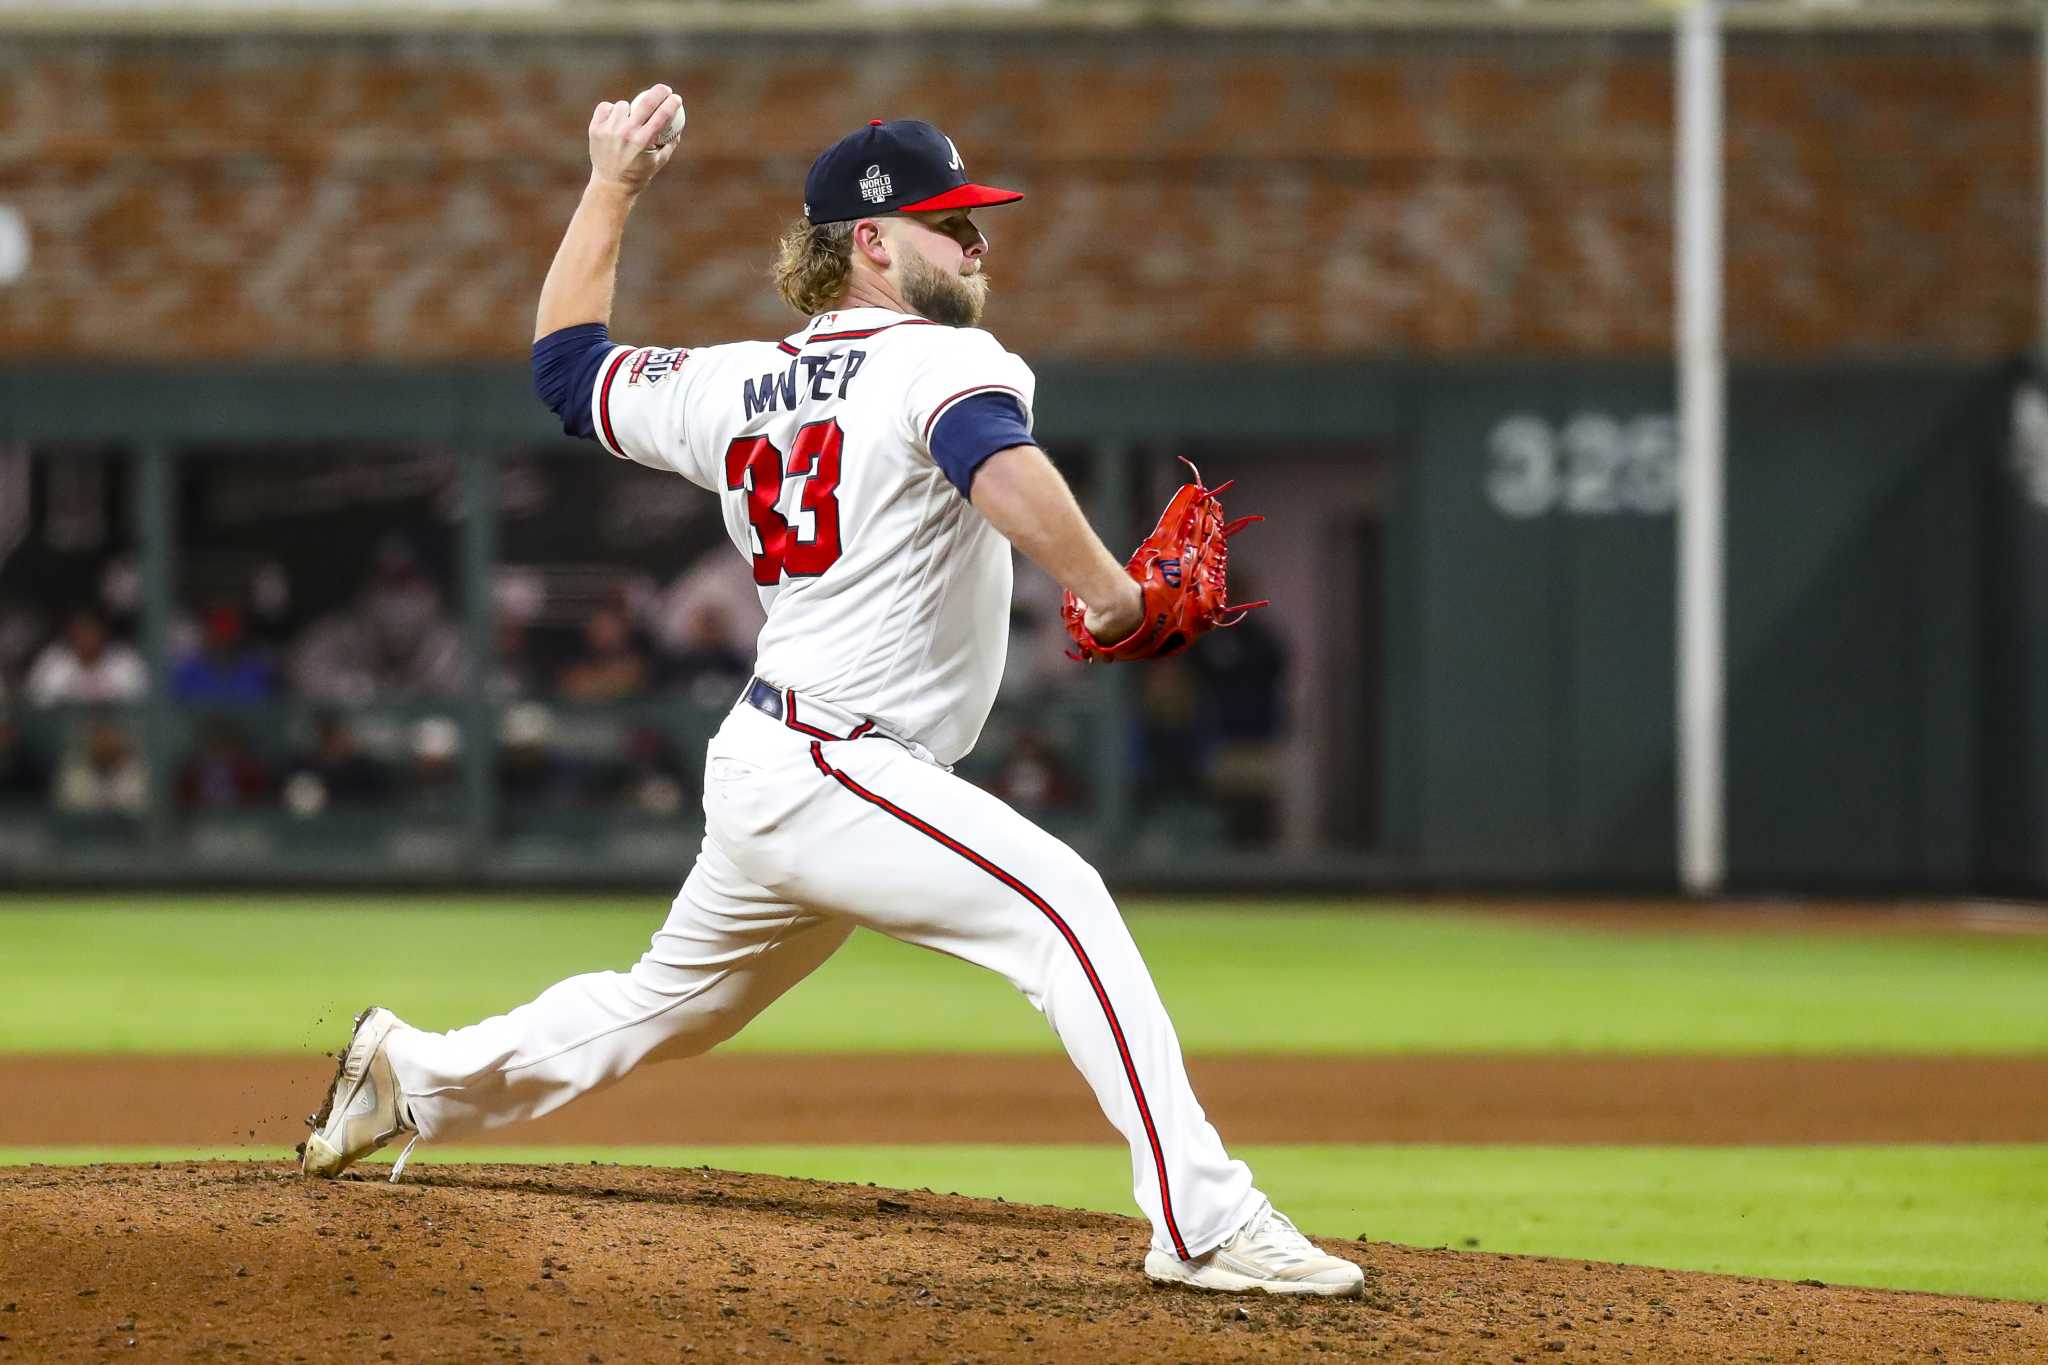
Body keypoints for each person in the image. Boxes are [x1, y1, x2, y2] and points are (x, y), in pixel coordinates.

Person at [300, 94, 1361, 1299]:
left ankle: (415, 1076)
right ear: (868, 241)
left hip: (782, 759)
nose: (976, 245)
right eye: (948, 223)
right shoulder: (947, 356)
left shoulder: (730, 381)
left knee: (669, 1007)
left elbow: (565, 368)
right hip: (838, 761)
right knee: (1064, 907)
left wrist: (610, 187)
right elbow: (992, 461)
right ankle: (1205, 1222)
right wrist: (1109, 592)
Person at [25, 610, 146, 707]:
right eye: (81, 631)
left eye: (91, 631)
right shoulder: (54, 662)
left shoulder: (124, 660)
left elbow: (140, 699)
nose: (87, 638)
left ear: (103, 633)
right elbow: (38, 702)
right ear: (71, 634)